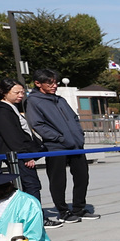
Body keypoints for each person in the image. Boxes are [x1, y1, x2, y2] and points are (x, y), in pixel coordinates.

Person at [27, 68, 94, 222]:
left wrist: (79, 135)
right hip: (56, 147)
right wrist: (59, 138)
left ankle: (79, 208)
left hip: (76, 145)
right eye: (49, 83)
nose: (54, 85)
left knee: (82, 177)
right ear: (38, 83)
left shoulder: (60, 100)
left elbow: (74, 118)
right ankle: (63, 211)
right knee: (58, 181)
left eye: (55, 82)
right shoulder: (33, 101)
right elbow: (38, 124)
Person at [0, 78, 47, 208]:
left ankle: (32, 214)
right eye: (16, 92)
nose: (21, 95)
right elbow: (11, 136)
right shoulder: (1, 110)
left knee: (30, 185)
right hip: (18, 155)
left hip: (21, 153)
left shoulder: (11, 108)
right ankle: (35, 216)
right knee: (30, 185)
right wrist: (25, 155)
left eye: (22, 92)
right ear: (4, 92)